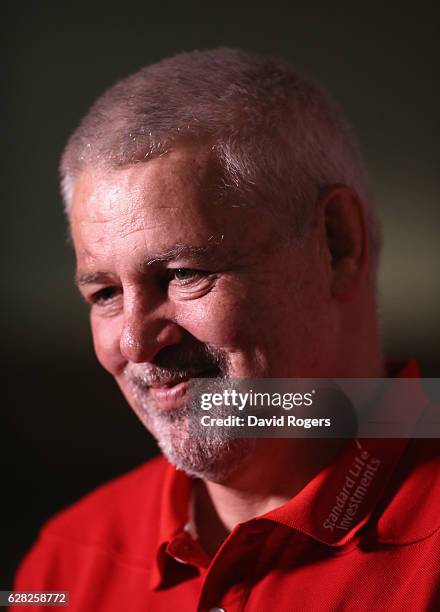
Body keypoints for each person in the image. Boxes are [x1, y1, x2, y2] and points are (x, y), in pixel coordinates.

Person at [12, 48, 439, 611]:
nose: (136, 343)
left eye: (185, 274)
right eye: (105, 294)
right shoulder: (65, 562)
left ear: (337, 247)